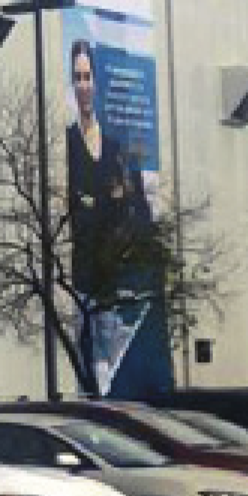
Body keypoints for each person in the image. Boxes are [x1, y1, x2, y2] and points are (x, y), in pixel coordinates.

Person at [64, 39, 151, 310]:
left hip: (118, 282)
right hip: (81, 283)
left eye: (88, 77)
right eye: (77, 78)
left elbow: (141, 212)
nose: (83, 86)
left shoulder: (118, 148)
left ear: (98, 81)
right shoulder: (67, 143)